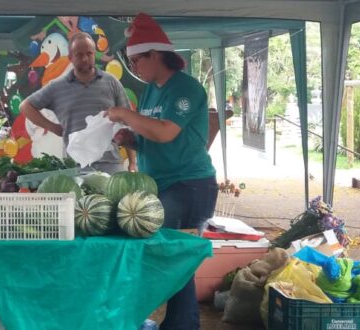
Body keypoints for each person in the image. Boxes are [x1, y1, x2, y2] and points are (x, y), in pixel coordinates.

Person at [106, 13, 218, 330]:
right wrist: (132, 139)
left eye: (137, 61)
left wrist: (126, 115)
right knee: (174, 260)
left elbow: (166, 131)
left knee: (162, 252)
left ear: (155, 55)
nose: (134, 69)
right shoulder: (152, 90)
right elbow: (152, 135)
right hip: (162, 185)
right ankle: (180, 324)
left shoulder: (186, 89)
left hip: (190, 186)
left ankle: (175, 323)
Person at [19, 32, 136, 174]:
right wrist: (53, 127)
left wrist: (133, 163)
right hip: (74, 168)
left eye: (89, 53)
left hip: (110, 166)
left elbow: (129, 122)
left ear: (94, 54)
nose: (85, 58)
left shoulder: (111, 82)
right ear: (70, 58)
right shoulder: (57, 86)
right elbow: (25, 106)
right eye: (79, 55)